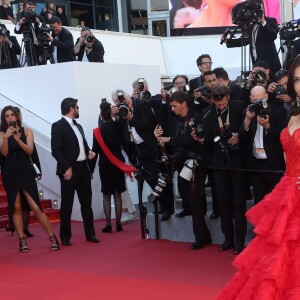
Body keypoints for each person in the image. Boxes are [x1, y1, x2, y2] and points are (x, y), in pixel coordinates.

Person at [216, 54, 300, 300]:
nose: (299, 86)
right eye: (296, 80)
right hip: (287, 193)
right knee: (275, 263)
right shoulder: (293, 115)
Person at [155, 90, 212, 250]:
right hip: (181, 164)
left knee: (195, 201)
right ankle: (203, 234)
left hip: (196, 163)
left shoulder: (197, 116)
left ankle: (200, 236)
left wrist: (170, 140)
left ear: (184, 104)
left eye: (174, 106)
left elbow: (191, 140)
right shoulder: (174, 121)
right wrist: (161, 139)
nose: (172, 109)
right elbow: (174, 140)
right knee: (191, 200)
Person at [0, 106, 59, 252]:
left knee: (36, 207)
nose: (10, 118)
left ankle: (52, 237)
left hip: (25, 171)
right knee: (16, 207)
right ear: (4, 119)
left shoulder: (27, 131)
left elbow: (30, 151)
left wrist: (18, 140)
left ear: (17, 117)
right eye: (7, 116)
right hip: (10, 172)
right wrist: (7, 138)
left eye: (12, 115)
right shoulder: (2, 134)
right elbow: (4, 153)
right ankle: (22, 239)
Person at [202, 84, 247, 254]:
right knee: (223, 201)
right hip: (218, 163)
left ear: (228, 96)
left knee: (238, 202)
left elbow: (247, 130)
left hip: (237, 162)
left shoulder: (238, 106)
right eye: (217, 104)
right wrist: (200, 138)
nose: (220, 107)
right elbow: (206, 139)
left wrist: (239, 136)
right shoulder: (208, 113)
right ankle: (227, 238)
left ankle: (239, 240)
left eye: (222, 104)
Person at [51, 97, 99, 246]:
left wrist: (89, 152)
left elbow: (83, 145)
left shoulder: (78, 126)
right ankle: (65, 237)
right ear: (72, 108)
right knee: (67, 204)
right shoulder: (57, 126)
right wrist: (67, 167)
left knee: (86, 203)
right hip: (69, 171)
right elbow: (56, 150)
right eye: (77, 107)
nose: (78, 110)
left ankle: (90, 234)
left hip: (83, 169)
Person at [239, 85, 286, 205]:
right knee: (259, 201)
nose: (258, 103)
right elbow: (242, 138)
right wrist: (247, 121)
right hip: (256, 164)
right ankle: (260, 223)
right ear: (250, 99)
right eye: (255, 101)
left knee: (276, 200)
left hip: (274, 163)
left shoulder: (278, 110)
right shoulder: (247, 112)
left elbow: (282, 137)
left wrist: (267, 126)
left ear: (266, 96)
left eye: (261, 100)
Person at [91, 101, 130, 233]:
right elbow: (126, 144)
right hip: (118, 163)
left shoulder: (97, 131)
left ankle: (108, 224)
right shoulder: (118, 127)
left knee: (106, 195)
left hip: (105, 165)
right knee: (118, 194)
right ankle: (118, 223)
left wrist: (90, 170)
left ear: (101, 116)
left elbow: (94, 152)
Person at [224, 0, 281, 74]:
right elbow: (245, 40)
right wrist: (228, 41)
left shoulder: (271, 21)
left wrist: (263, 22)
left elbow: (272, 35)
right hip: (257, 65)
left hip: (271, 67)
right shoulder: (251, 26)